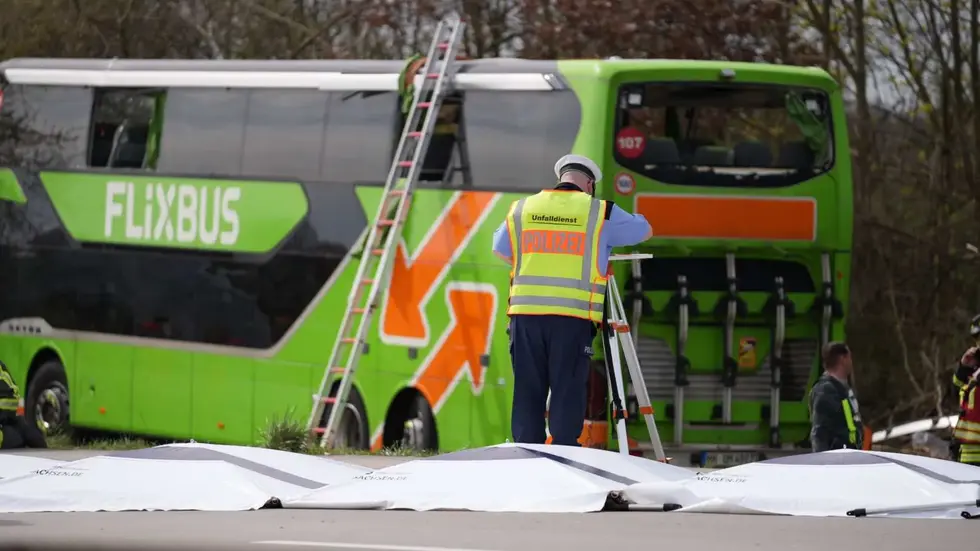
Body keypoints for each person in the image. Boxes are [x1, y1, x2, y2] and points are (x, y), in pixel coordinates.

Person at [490, 154, 652, 446]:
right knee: (567, 389)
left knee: (528, 391)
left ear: (561, 177)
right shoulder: (599, 211)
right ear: (589, 184)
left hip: (524, 317)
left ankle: (527, 455)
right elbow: (644, 230)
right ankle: (564, 455)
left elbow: (501, 249)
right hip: (571, 318)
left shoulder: (522, 208)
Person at [808, 341, 864, 452]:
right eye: (849, 357)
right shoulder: (825, 390)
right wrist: (823, 462)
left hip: (848, 454)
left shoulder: (842, 389)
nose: (851, 362)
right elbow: (820, 431)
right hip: (836, 458)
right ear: (843, 359)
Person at [951, 315, 980, 465]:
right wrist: (963, 368)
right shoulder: (973, 367)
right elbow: (955, 394)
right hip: (967, 453)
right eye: (977, 339)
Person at [0, 360, 47, 449]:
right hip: (12, 407)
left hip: (4, 410)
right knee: (23, 427)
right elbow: (15, 391)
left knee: (16, 434)